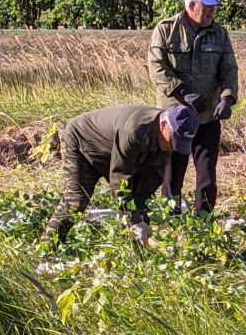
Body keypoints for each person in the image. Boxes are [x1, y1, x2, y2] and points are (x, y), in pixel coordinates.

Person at [44, 103, 199, 244]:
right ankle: (48, 247)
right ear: (164, 125)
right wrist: (134, 221)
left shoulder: (165, 142)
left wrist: (140, 221)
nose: (174, 146)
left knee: (139, 205)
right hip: (82, 142)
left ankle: (134, 253)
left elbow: (146, 187)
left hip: (112, 151)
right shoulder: (135, 131)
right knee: (76, 202)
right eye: (174, 139)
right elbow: (120, 181)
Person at [147, 0, 239, 213]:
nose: (211, 12)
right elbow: (156, 67)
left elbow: (229, 69)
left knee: (207, 175)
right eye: (206, 6)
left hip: (208, 116)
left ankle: (203, 221)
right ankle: (171, 218)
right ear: (191, 6)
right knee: (172, 172)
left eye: (213, 7)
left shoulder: (219, 34)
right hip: (175, 118)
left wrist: (227, 99)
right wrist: (183, 92)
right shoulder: (166, 29)